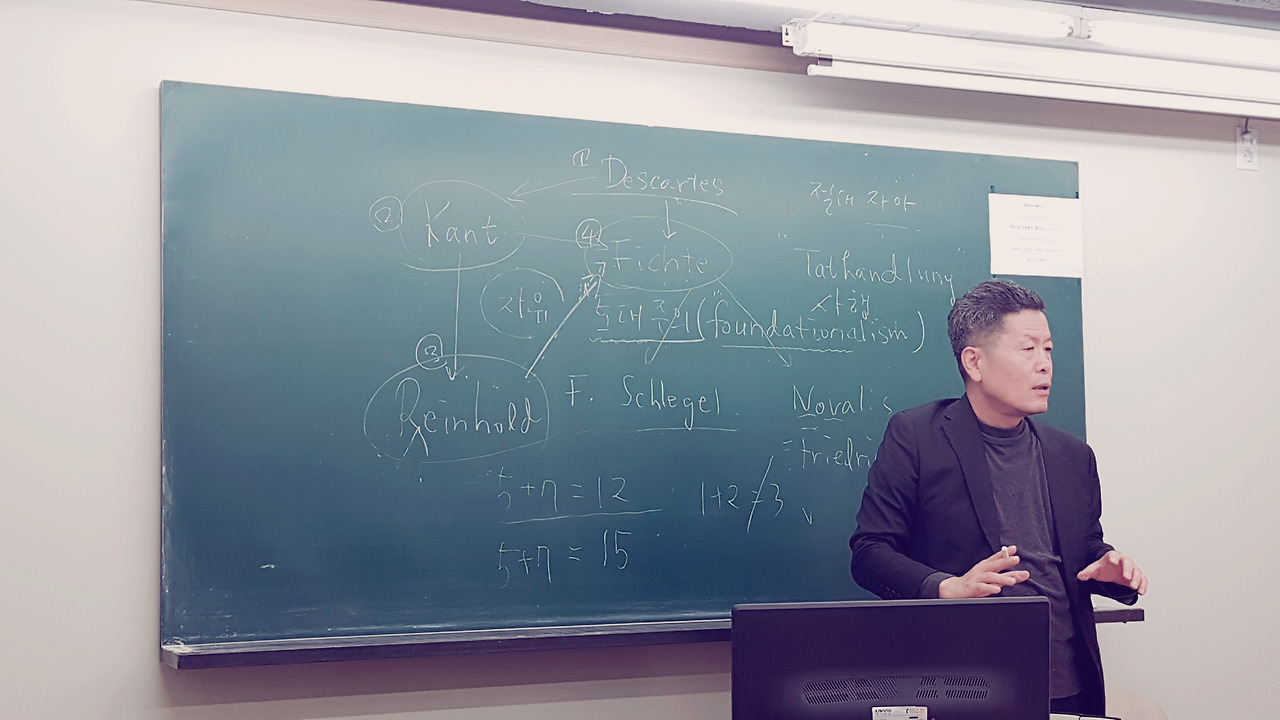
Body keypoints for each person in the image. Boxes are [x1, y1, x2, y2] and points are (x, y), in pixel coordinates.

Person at [849, 279, 1147, 716]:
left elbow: (1084, 548)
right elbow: (870, 554)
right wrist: (945, 587)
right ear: (974, 361)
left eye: (1048, 349)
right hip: (963, 687)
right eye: (1028, 349)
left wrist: (1108, 568)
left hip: (1066, 685)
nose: (1044, 365)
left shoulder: (1072, 455)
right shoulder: (917, 436)